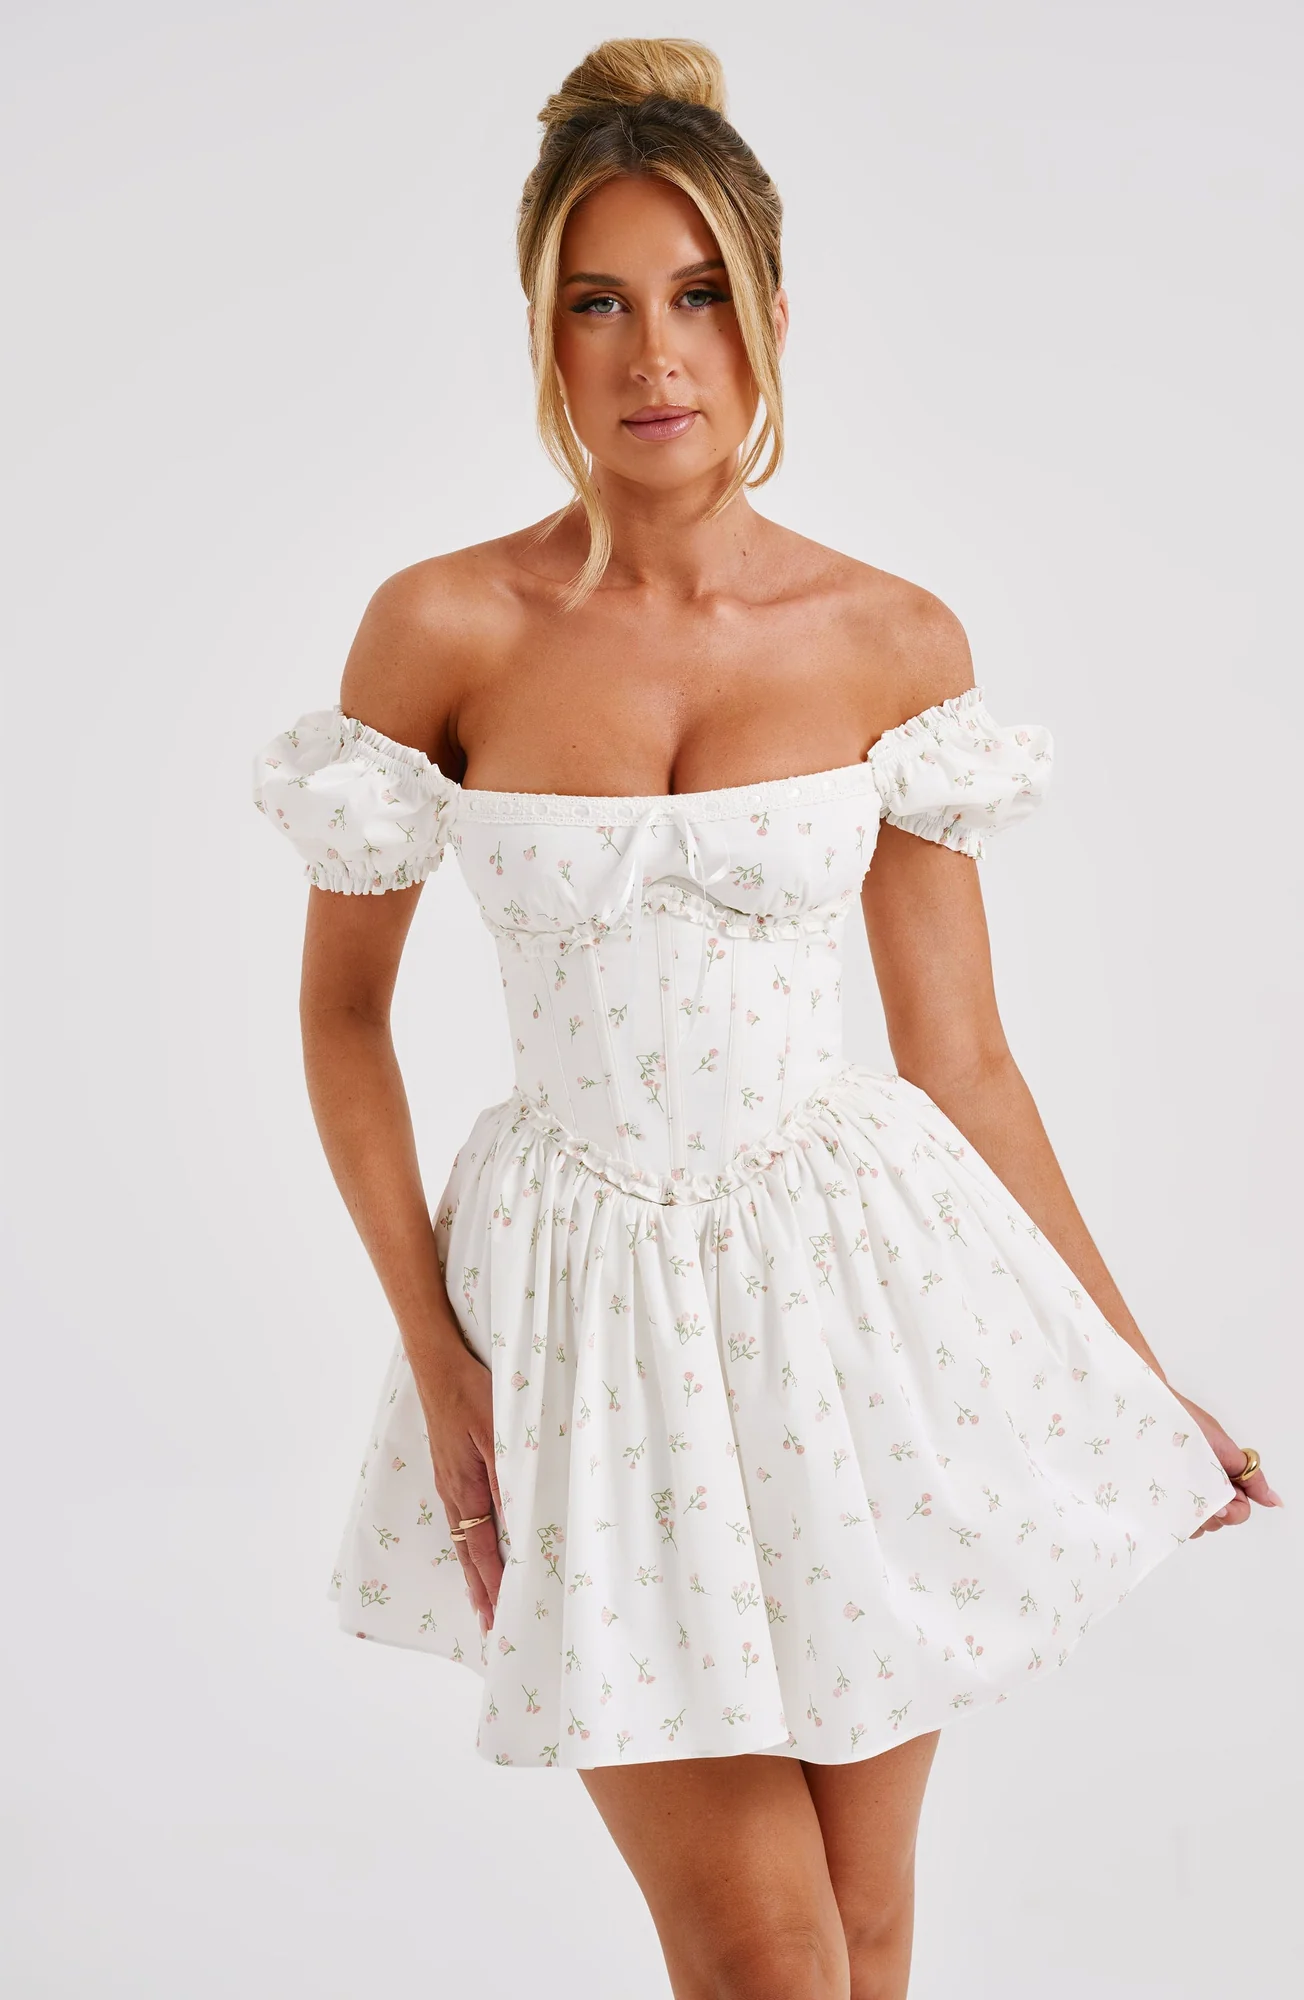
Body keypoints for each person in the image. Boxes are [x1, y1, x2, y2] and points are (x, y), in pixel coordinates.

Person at [250, 37, 1279, 2000]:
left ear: (775, 317)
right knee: (761, 1953)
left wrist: (1136, 1376)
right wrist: (442, 1358)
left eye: (701, 294)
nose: (658, 356)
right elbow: (341, 1022)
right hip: (580, 1328)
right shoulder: (440, 630)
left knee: (867, 1933)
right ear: (542, 336)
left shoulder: (890, 639)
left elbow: (961, 1056)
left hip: (848, 1312)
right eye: (600, 304)